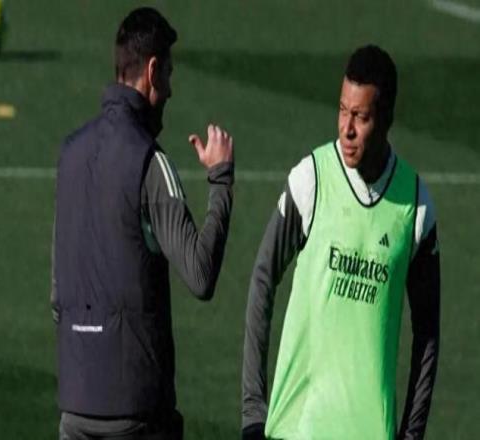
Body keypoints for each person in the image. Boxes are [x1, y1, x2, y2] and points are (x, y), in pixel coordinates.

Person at [52, 7, 234, 440]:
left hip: (75, 406)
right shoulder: (149, 160)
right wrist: (221, 180)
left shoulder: (69, 154)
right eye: (168, 74)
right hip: (136, 412)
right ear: (152, 71)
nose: (170, 89)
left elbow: (57, 294)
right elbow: (200, 274)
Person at [242, 45, 440, 440]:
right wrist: (252, 410)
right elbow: (263, 279)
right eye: (342, 111)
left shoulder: (416, 206)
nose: (346, 129)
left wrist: (412, 432)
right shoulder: (311, 179)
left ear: (386, 118)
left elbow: (428, 332)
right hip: (296, 429)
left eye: (361, 117)